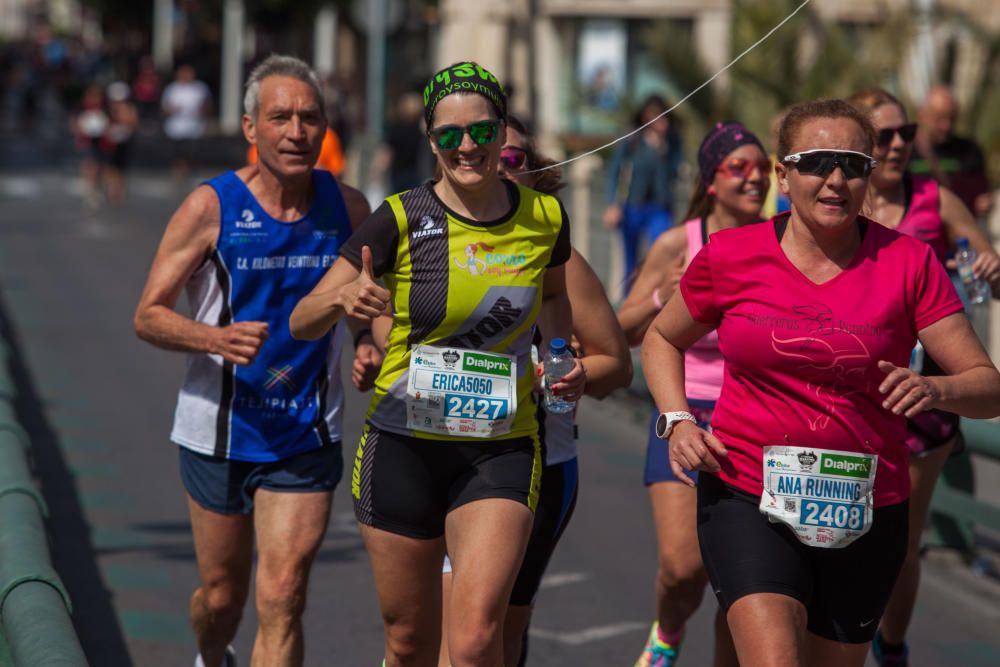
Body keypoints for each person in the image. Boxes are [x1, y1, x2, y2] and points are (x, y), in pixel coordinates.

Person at [642, 97, 1000, 667]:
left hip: (865, 507)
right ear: (783, 176)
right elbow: (662, 338)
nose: (835, 180)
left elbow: (987, 386)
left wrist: (937, 389)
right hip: (746, 491)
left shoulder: (908, 263)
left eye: (853, 165)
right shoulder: (732, 255)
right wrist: (678, 419)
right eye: (817, 162)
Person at [289, 61, 585, 667]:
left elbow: (553, 296)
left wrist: (557, 359)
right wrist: (342, 298)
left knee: (477, 639)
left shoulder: (545, 218)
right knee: (408, 643)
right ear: (432, 141)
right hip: (404, 445)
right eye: (450, 136)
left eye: (481, 131)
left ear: (504, 133)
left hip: (501, 446)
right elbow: (301, 320)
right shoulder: (399, 217)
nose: (468, 147)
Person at [133, 55, 375, 667]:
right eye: (280, 117)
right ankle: (212, 655)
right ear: (250, 128)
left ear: (325, 128)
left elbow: (365, 299)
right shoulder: (209, 208)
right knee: (223, 598)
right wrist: (212, 338)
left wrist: (369, 339)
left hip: (305, 429)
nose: (296, 130)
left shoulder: (347, 206)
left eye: (310, 117)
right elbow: (149, 314)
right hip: (219, 430)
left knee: (284, 593)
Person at [435, 114, 632, 667]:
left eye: (514, 157)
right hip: (433, 452)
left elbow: (618, 364)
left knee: (492, 636)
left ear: (536, 173)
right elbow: (387, 322)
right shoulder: (430, 241)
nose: (497, 163)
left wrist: (578, 374)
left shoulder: (562, 260)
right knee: (422, 635)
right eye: (488, 153)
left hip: (537, 464)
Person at [847, 87, 1000, 667]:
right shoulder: (836, 200)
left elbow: (989, 274)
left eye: (905, 135)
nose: (897, 146)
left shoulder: (934, 200)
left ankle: (890, 650)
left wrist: (988, 265)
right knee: (839, 528)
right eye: (883, 136)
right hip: (849, 389)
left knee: (899, 539)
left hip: (922, 394)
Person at [619, 121, 769, 667]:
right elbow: (622, 330)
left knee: (743, 578)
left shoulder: (782, 240)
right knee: (685, 567)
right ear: (711, 180)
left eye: (760, 167)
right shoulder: (678, 243)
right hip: (686, 412)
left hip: (757, 417)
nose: (754, 178)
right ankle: (668, 629)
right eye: (739, 167)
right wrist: (665, 292)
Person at [604, 95, 684, 297]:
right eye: (656, 117)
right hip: (632, 206)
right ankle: (628, 302)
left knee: (659, 253)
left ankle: (653, 298)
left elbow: (674, 173)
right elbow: (615, 170)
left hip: (659, 207)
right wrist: (612, 203)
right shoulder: (632, 139)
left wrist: (663, 152)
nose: (660, 123)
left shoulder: (673, 142)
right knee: (630, 260)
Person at [910, 85, 992, 219]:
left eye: (951, 118)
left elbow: (981, 191)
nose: (946, 125)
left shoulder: (969, 149)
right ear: (922, 115)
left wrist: (984, 202)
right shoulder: (905, 152)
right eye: (939, 118)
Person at [162, 63, 212, 175]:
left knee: (191, 152)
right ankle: (178, 171)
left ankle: (189, 170)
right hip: (176, 128)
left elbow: (208, 105)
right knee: (177, 153)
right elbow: (164, 108)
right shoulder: (172, 89)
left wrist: (202, 111)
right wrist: (173, 110)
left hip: (194, 128)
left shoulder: (200, 88)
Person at [103, 81, 139, 204]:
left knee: (121, 167)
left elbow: (133, 123)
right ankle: (112, 189)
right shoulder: (107, 109)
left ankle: (119, 189)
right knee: (110, 166)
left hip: (124, 141)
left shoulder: (129, 109)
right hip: (109, 142)